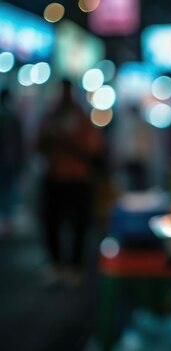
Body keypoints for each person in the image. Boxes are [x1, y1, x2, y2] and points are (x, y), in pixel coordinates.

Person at [37, 80, 103, 286]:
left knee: (79, 225)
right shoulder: (50, 116)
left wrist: (67, 139)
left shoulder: (82, 117)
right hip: (55, 177)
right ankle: (56, 264)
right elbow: (38, 143)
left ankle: (75, 266)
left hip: (78, 178)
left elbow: (94, 148)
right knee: (52, 223)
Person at [0, 90, 23, 238]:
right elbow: (19, 142)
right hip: (9, 160)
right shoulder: (12, 117)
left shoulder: (10, 117)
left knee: (6, 191)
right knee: (7, 191)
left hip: (7, 160)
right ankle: (6, 222)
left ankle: (6, 222)